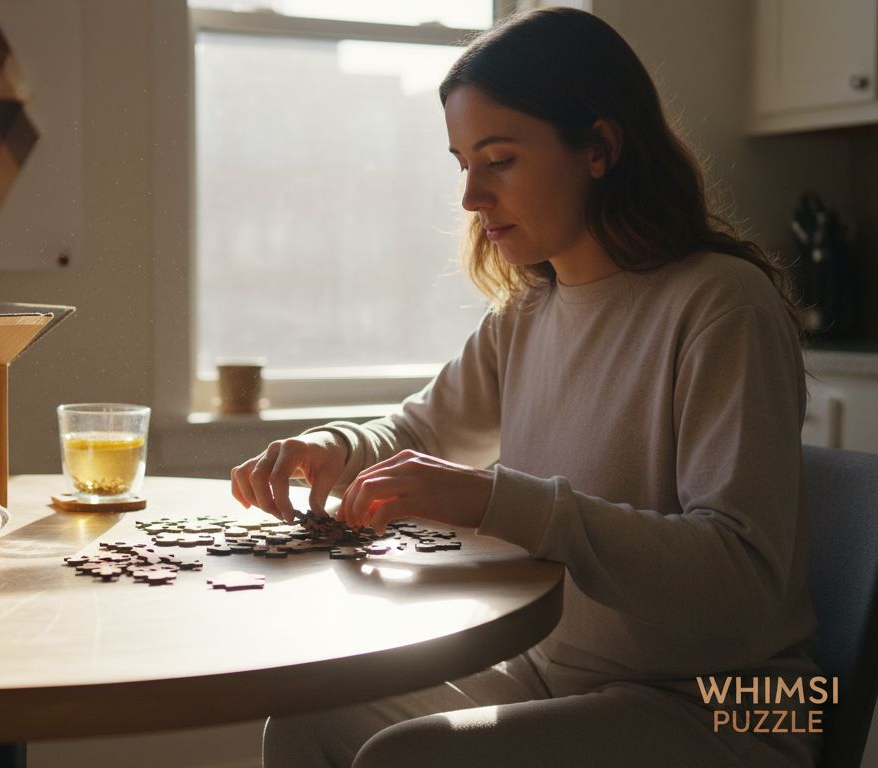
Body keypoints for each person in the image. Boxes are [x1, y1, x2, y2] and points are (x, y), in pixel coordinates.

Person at [230, 8, 819, 768]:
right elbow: (419, 433)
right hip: (562, 676)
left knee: (407, 758)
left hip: (737, 705)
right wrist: (332, 447)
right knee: (305, 722)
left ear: (600, 148)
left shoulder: (723, 305)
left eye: (498, 160)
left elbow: (744, 576)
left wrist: (495, 499)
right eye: (462, 163)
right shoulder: (530, 311)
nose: (472, 196)